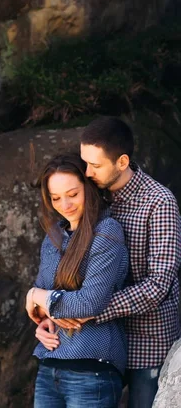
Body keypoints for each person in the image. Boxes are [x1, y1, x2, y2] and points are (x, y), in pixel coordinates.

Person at [42, 117, 181, 408]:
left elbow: (157, 286)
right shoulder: (90, 195)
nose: (86, 171)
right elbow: (65, 262)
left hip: (147, 342)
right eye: (84, 162)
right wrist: (48, 313)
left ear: (122, 162)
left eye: (95, 165)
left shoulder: (159, 202)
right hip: (97, 343)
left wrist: (84, 309)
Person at [26, 153, 128, 408]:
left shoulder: (107, 232)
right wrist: (45, 319)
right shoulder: (53, 238)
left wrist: (35, 297)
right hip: (49, 367)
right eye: (56, 197)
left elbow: (88, 303)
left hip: (92, 369)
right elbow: (45, 301)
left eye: (73, 194)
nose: (65, 204)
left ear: (89, 188)